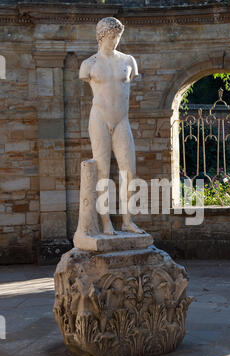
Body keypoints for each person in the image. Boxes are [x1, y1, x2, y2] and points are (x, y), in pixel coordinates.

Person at [79, 17, 144, 235]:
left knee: (130, 171)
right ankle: (106, 222)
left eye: (118, 36)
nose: (115, 41)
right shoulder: (89, 65)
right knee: (102, 171)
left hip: (121, 120)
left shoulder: (129, 61)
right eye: (111, 37)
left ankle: (127, 221)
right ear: (101, 37)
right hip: (99, 118)